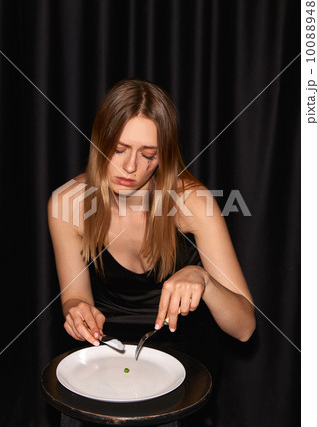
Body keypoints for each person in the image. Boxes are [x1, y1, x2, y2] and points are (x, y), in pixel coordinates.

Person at [48, 78, 256, 427]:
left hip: (183, 360)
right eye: (118, 149)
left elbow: (245, 328)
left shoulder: (192, 202)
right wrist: (75, 310)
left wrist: (203, 279)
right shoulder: (67, 203)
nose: (130, 167)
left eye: (147, 155)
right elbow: (75, 300)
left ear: (165, 156)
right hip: (107, 359)